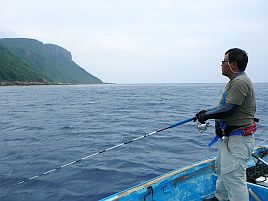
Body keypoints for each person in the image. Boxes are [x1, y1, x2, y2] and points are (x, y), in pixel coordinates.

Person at [195, 48, 257, 201]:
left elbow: (228, 110)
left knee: (235, 178)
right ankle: (221, 198)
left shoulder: (240, 82)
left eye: (224, 61)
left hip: (239, 139)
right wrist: (207, 112)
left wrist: (206, 116)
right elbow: (225, 107)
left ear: (233, 64)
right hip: (228, 136)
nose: (221, 64)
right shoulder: (234, 82)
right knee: (222, 170)